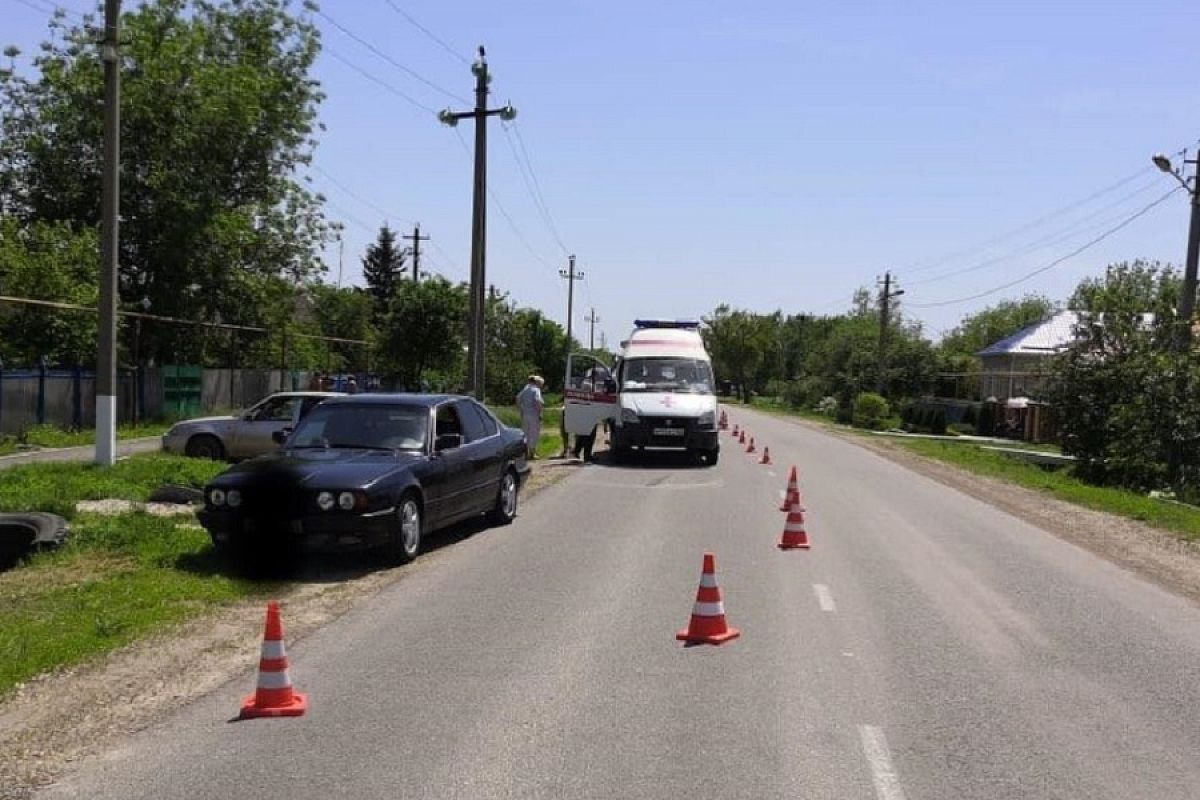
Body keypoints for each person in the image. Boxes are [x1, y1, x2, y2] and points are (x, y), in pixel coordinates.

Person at [515, 375, 545, 459]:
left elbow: (517, 398)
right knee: (534, 433)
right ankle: (532, 453)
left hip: (525, 414)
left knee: (525, 433)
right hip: (533, 414)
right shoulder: (536, 390)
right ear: (536, 382)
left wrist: (521, 409)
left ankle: (525, 452)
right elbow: (538, 401)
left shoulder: (525, 389)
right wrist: (540, 413)